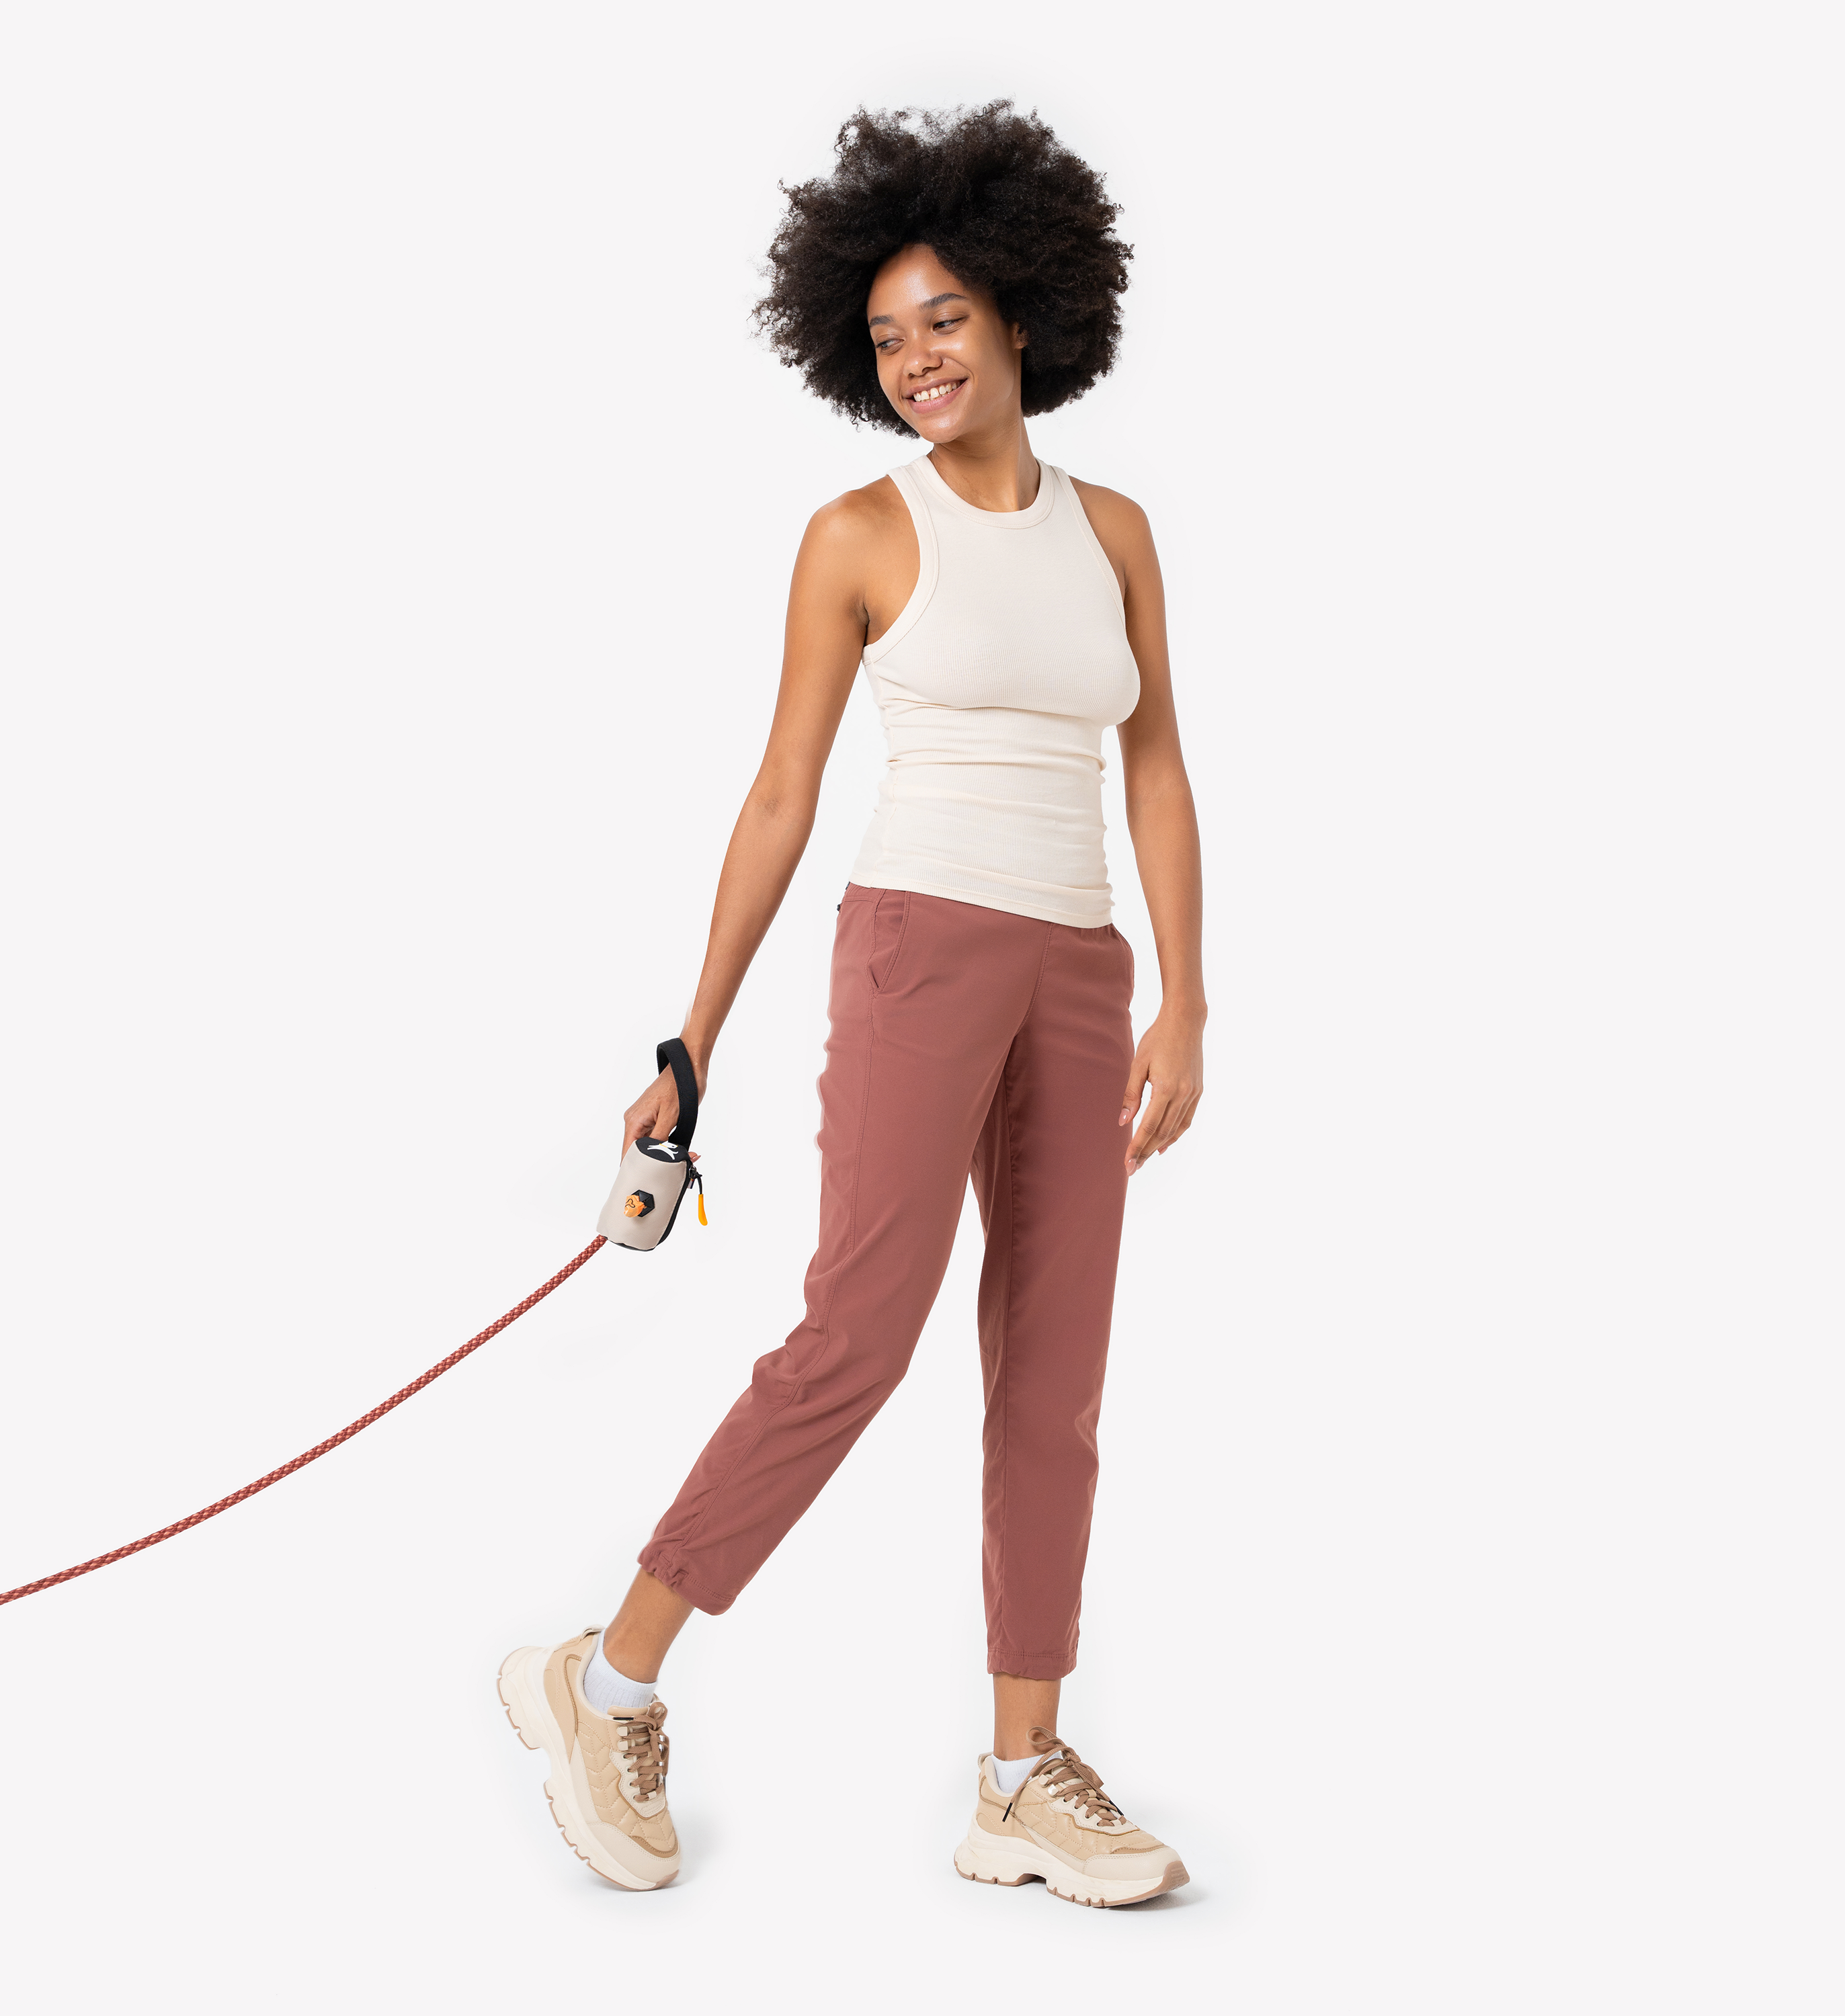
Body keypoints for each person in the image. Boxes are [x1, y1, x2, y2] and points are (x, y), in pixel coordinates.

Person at [497, 102, 1206, 1908]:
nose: (917, 361)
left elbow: (1156, 768)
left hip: (1080, 969)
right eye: (887, 337)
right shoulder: (857, 535)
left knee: (1054, 1379)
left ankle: (1021, 1775)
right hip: (918, 950)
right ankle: (608, 1677)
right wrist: (693, 1042)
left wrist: (1184, 1001)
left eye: (945, 321)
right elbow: (781, 796)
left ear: (1026, 311)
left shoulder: (1119, 532)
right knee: (857, 1337)